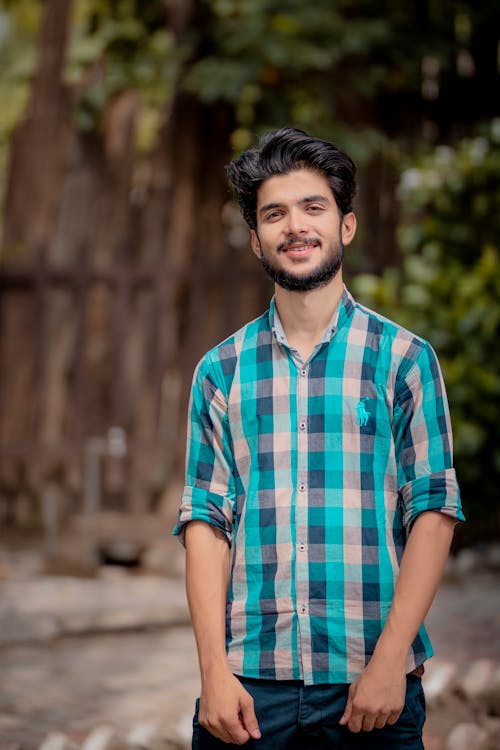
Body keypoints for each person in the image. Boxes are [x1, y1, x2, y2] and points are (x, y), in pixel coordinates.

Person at [173, 127, 464, 749]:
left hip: (371, 686)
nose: (294, 226)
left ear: (346, 226)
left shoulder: (404, 361)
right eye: (274, 214)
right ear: (256, 239)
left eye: (313, 207)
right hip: (250, 690)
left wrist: (389, 664)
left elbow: (434, 513)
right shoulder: (220, 371)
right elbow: (205, 523)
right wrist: (213, 672)